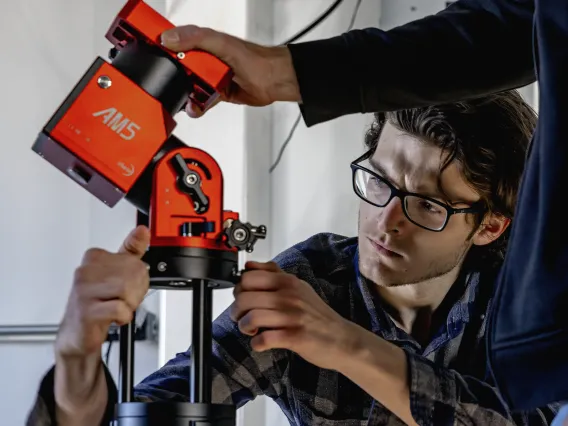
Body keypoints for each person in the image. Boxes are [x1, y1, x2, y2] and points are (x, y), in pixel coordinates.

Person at [24, 0, 568, 425]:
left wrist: (345, 345)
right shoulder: (310, 284)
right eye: (378, 180)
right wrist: (77, 363)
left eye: (426, 204)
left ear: (491, 224)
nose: (387, 220)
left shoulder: (523, 305)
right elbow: (160, 407)